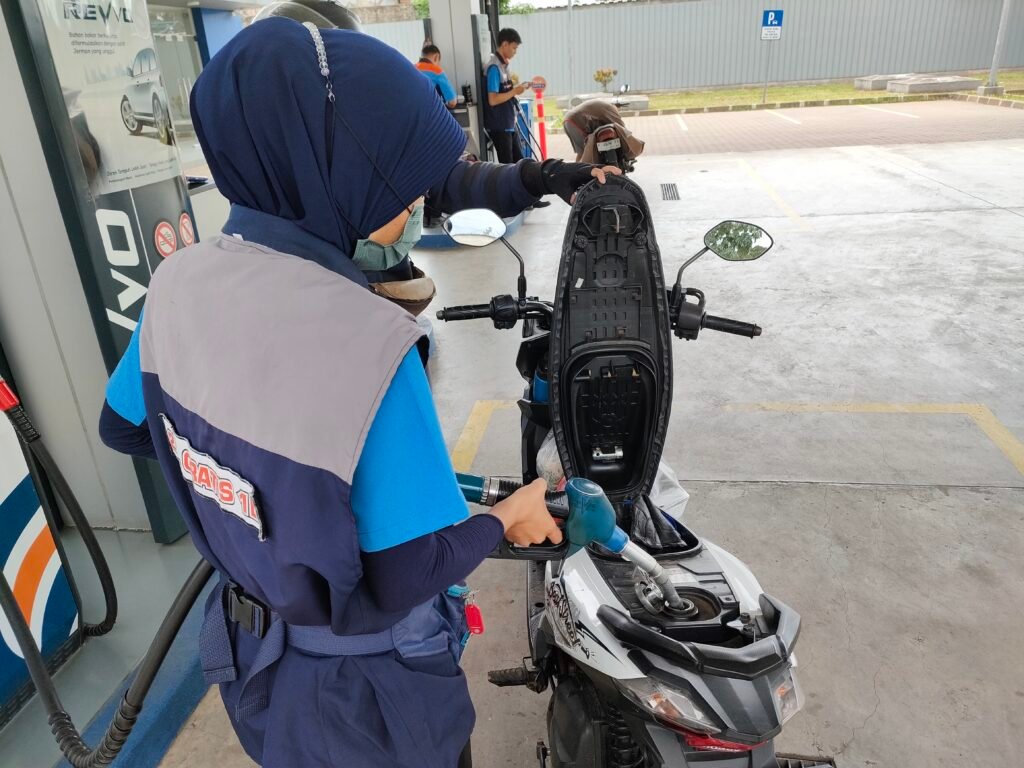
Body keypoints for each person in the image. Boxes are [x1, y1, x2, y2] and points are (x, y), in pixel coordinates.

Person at [99, 20, 567, 768]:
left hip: (251, 660)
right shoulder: (370, 345)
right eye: (400, 182)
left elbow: (126, 427)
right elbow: (407, 570)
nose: (416, 203)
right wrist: (505, 518)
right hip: (369, 700)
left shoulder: (177, 283)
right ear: (337, 174)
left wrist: (251, 503)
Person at [484, 28, 529, 165]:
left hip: (508, 123)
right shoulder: (494, 68)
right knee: (508, 167)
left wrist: (517, 89)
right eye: (514, 48)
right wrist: (515, 91)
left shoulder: (504, 66)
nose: (515, 52)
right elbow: (493, 100)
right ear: (504, 44)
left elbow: (506, 91)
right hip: (500, 126)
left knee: (520, 163)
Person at [563, 98, 645, 165]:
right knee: (584, 152)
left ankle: (579, 171)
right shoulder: (611, 109)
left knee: (582, 151)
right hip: (575, 121)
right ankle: (579, 173)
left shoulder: (602, 107)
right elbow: (622, 130)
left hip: (569, 120)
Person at [417, 44, 458, 108]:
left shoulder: (411, 68)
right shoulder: (437, 71)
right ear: (436, 57)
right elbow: (452, 102)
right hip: (429, 110)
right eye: (439, 62)